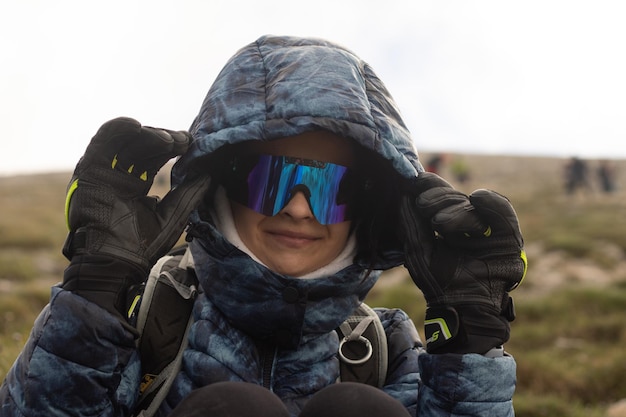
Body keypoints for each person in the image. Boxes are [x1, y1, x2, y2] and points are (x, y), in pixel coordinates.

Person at [0, 35, 526, 417]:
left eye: (330, 190)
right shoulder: (134, 317)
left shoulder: (388, 347)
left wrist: (469, 341)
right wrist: (96, 290)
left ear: (371, 207)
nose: (299, 209)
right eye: (272, 180)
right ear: (220, 183)